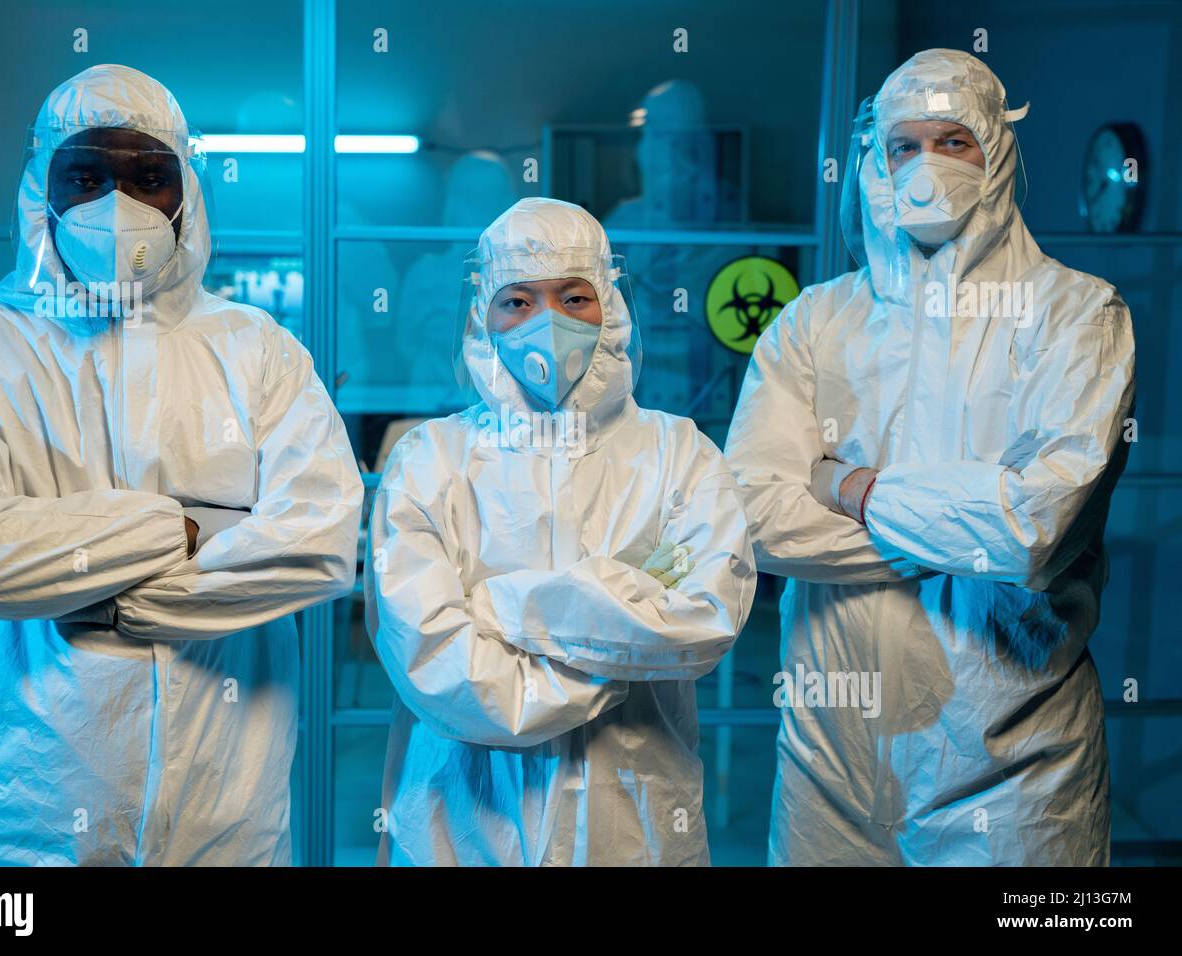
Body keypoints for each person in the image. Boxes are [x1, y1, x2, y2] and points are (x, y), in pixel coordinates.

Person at [0, 64, 363, 866]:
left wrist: (101, 599)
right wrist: (177, 526)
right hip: (30, 813)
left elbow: (318, 544)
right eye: (88, 175)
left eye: (149, 177)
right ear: (44, 187)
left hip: (230, 812)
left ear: (188, 192)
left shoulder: (258, 351)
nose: (120, 206)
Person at [724, 49, 1135, 866]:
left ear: (999, 154)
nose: (924, 167)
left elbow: (1031, 528)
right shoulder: (814, 323)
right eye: (902, 145)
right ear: (872, 160)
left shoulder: (1078, 317)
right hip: (827, 762)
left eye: (954, 141)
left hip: (1016, 767)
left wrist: (847, 484)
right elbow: (755, 517)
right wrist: (961, 527)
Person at [367, 197, 756, 866]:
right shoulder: (429, 459)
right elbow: (434, 665)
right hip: (462, 821)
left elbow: (702, 624)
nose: (546, 323)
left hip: (635, 824)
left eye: (574, 298)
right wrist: (619, 635)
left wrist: (501, 608)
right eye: (517, 301)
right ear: (480, 316)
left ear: (612, 308)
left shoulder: (681, 454)